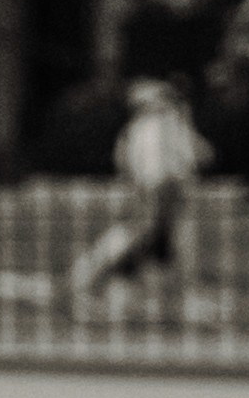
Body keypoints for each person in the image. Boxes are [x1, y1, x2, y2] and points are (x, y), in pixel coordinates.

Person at [74, 74, 205, 298]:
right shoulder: (161, 124)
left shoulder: (138, 129)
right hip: (162, 188)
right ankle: (87, 275)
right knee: (146, 233)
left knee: (160, 237)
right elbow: (198, 156)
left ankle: (103, 279)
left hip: (154, 187)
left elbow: (123, 162)